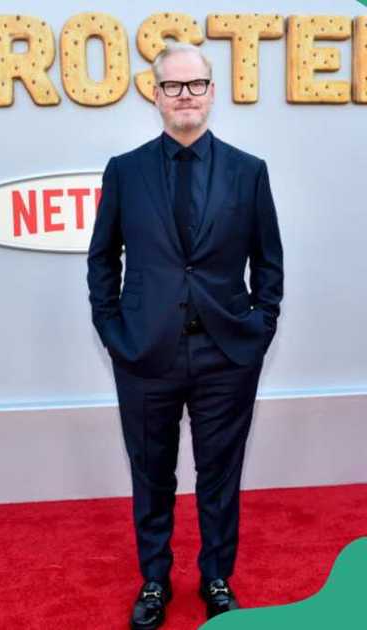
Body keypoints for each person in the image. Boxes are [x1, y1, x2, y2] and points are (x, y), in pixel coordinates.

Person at [86, 42, 283, 629]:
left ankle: (216, 577)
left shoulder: (250, 172)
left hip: (227, 353)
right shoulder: (125, 171)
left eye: (196, 85)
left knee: (220, 474)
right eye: (173, 86)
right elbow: (103, 259)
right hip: (146, 353)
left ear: (213, 92)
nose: (186, 96)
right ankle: (154, 580)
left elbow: (269, 263)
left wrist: (260, 328)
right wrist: (112, 330)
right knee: (151, 473)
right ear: (156, 95)